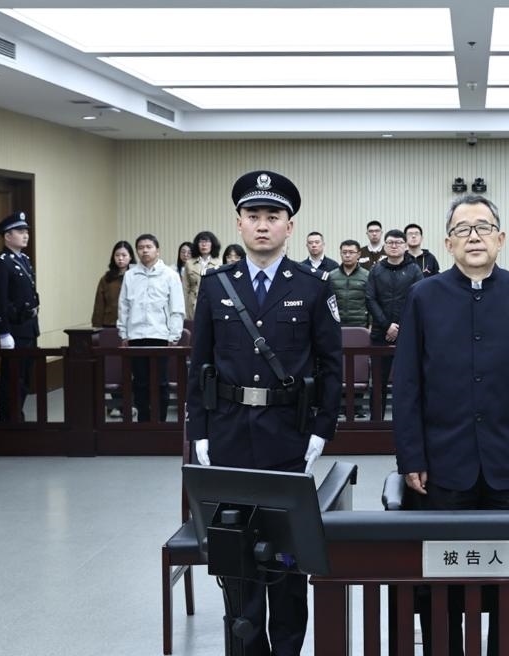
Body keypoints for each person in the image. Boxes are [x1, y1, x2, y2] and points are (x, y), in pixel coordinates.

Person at [186, 170, 342, 656]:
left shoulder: (313, 287)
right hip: (229, 432)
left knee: (288, 556)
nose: (262, 224)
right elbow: (200, 363)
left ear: (289, 226)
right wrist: (199, 431)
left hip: (287, 434)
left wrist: (321, 430)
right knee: (236, 554)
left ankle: (289, 648)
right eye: (253, 215)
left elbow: (331, 366)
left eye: (272, 216)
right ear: (239, 223)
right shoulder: (216, 286)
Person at [394, 194, 509, 656]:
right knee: (441, 581)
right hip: (441, 465)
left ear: (501, 239)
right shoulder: (423, 296)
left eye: (483, 227)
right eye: (462, 229)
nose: (474, 237)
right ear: (448, 243)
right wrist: (411, 456)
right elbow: (407, 383)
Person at [118, 234, 185, 423]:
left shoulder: (170, 275)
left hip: (160, 336)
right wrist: (123, 333)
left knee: (160, 382)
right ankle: (143, 423)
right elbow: (124, 307)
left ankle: (160, 422)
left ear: (158, 250)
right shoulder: (130, 275)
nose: (144, 250)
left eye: (149, 247)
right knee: (140, 383)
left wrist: (174, 335)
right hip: (136, 336)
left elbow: (177, 308)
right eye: (140, 247)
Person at [0, 211, 40, 422]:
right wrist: (3, 333)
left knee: (24, 379)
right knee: (12, 380)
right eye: (20, 231)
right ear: (7, 236)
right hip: (14, 330)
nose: (25, 235)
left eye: (26, 231)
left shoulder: (23, 260)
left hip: (28, 328)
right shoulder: (0, 263)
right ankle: (8, 423)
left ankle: (17, 417)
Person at [365, 228, 423, 418]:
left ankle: (406, 423)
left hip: (407, 334)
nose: (394, 246)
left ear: (405, 246)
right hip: (380, 334)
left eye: (398, 242)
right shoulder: (376, 270)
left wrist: (399, 326)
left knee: (407, 381)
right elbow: (370, 299)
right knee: (378, 382)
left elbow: (418, 300)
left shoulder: (414, 270)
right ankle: (376, 424)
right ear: (385, 246)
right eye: (390, 242)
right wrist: (387, 325)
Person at [330, 239, 370, 419]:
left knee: (359, 366)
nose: (347, 255)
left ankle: (357, 407)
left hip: (359, 326)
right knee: (338, 365)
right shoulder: (332, 276)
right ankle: (340, 405)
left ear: (358, 254)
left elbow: (370, 301)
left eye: (351, 252)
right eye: (344, 252)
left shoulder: (367, 275)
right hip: (337, 327)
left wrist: (370, 324)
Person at [91, 240, 134, 328]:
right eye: (117, 255)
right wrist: (96, 326)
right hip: (110, 324)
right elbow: (99, 306)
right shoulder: (106, 279)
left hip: (132, 324)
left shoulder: (137, 277)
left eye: (124, 255)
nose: (120, 258)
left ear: (130, 257)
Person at [183, 230, 221, 319]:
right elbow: (185, 288)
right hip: (193, 303)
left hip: (213, 301)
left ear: (212, 244)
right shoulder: (189, 263)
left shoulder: (220, 262)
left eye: (207, 241)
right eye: (201, 242)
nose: (204, 244)